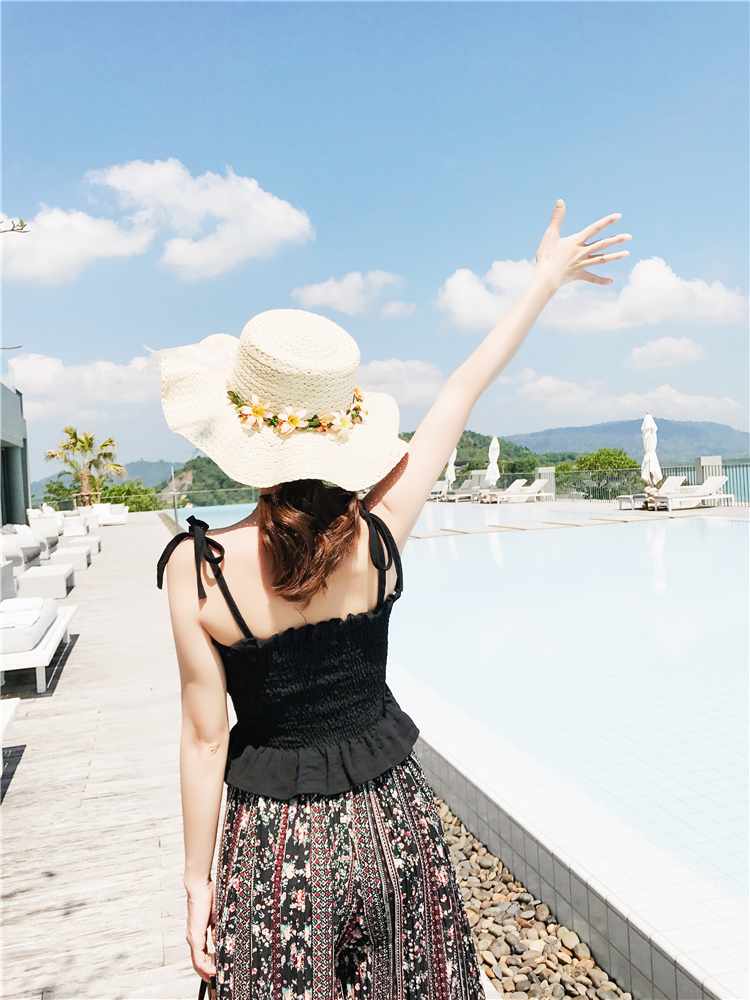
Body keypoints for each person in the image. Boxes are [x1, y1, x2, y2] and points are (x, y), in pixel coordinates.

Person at [154, 200, 630, 999]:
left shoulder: (197, 570)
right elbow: (463, 389)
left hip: (278, 845)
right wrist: (545, 280)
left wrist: (197, 882)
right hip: (393, 822)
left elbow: (205, 742)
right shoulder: (379, 534)